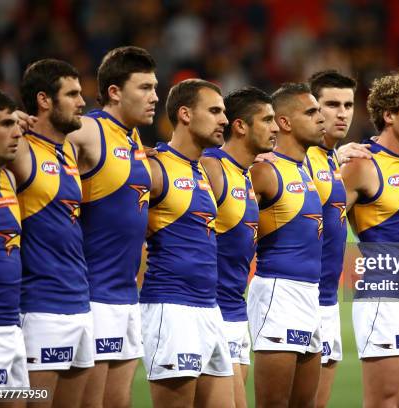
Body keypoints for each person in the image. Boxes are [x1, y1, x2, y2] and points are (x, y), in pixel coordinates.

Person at [67, 46, 158, 408]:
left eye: (155, 87)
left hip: (125, 298)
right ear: (115, 92)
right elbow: (37, 144)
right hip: (93, 296)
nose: (154, 97)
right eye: (144, 88)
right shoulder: (90, 129)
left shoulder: (133, 138)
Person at [340, 72, 399, 407]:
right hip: (386, 298)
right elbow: (327, 218)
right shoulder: (362, 164)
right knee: (386, 401)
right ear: (389, 116)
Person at [139, 79, 234, 407]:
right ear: (185, 114)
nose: (224, 119)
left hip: (209, 309)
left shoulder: (203, 172)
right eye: (214, 111)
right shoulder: (153, 167)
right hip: (171, 308)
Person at [11, 59, 92, 407]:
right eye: (72, 94)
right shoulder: (22, 149)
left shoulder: (69, 151)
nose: (82, 102)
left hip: (79, 303)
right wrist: (6, 121)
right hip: (41, 307)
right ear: (44, 100)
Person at [200, 86, 278, 408]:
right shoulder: (211, 167)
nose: (275, 128)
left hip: (236, 310)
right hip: (211, 310)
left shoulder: (246, 174)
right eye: (268, 120)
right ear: (241, 126)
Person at [248, 82, 325, 407]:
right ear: (284, 122)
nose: (321, 118)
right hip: (279, 293)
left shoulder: (304, 168)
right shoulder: (264, 170)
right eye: (311, 112)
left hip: (310, 293)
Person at [304, 70, 355, 408]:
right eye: (331, 104)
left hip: (328, 298)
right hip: (300, 297)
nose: (342, 113)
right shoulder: (297, 157)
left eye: (348, 104)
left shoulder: (329, 158)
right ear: (312, 109)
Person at [0, 87, 28, 400]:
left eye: (17, 124)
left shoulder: (8, 181)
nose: (16, 133)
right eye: (5, 125)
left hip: (13, 330)